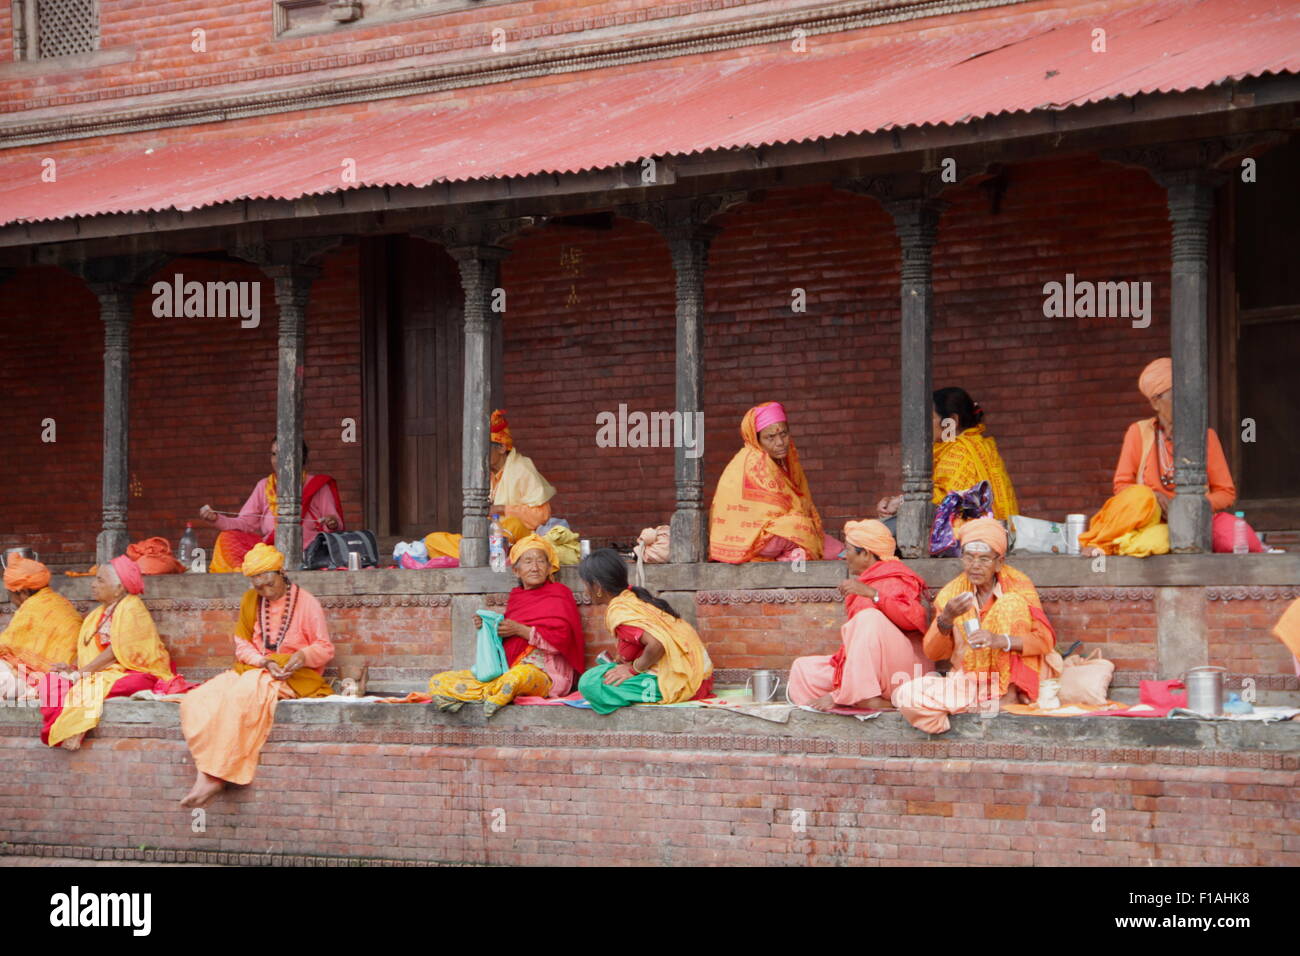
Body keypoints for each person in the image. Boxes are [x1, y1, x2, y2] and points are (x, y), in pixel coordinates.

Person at [179, 543, 334, 808]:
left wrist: (302, 657)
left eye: (268, 584)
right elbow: (242, 644)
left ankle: (214, 776)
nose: (264, 591)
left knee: (241, 696)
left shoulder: (307, 603)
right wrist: (263, 661)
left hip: (293, 676)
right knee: (196, 700)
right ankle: (207, 770)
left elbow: (324, 648)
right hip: (254, 668)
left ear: (281, 572)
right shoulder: (251, 600)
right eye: (257, 586)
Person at [1078, 357, 1262, 556]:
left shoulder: (1206, 436)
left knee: (1236, 538)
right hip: (1150, 518)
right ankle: (1098, 542)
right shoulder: (1138, 432)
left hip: (1194, 520)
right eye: (1176, 395)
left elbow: (1226, 493)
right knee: (1141, 500)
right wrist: (1154, 498)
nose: (1185, 402)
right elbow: (1121, 486)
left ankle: (1123, 545)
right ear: (1155, 402)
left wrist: (1189, 506)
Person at [891, 518, 1060, 734]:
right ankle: (973, 708)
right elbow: (933, 653)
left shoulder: (1019, 586)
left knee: (1011, 604)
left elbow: (1045, 640)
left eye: (984, 559)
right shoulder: (952, 594)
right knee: (907, 695)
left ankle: (1006, 698)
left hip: (1017, 681)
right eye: (969, 557)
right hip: (971, 681)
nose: (975, 566)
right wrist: (946, 619)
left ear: (999, 561)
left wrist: (1001, 640)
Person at [428, 534, 585, 717]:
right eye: (527, 562)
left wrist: (520, 630)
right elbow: (506, 640)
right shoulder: (517, 597)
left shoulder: (560, 593)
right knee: (439, 680)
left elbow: (562, 642)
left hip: (546, 675)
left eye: (541, 562)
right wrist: (488, 626)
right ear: (516, 571)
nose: (535, 568)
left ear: (550, 568)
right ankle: (493, 694)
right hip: (507, 670)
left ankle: (479, 695)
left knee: (517, 677)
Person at [39, 556, 180, 750]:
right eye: (95, 579)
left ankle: (73, 730)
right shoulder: (97, 613)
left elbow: (117, 651)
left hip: (134, 672)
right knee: (52, 680)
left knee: (93, 687)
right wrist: (72, 668)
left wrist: (82, 673)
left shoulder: (132, 607)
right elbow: (90, 649)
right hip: (100, 673)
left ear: (119, 588)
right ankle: (62, 729)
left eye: (100, 580)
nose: (93, 585)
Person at [787, 520, 930, 711]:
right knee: (803, 669)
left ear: (866, 554)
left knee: (868, 617)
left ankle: (865, 697)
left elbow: (914, 620)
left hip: (903, 669)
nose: (844, 556)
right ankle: (858, 695)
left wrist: (874, 595)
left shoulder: (897, 576)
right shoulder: (865, 581)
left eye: (847, 550)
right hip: (871, 670)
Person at [576, 548, 713, 713]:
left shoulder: (620, 610)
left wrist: (634, 669)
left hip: (685, 681)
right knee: (602, 672)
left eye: (585, 585)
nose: (585, 591)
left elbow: (657, 644)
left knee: (589, 683)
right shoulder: (632, 598)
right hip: (700, 676)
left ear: (597, 587)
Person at [709, 401, 840, 563]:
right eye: (770, 437)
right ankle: (792, 556)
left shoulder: (777, 461)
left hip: (764, 537)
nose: (780, 442)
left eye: (783, 434)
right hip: (749, 540)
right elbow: (777, 512)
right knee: (800, 528)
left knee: (827, 543)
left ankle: (799, 553)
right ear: (756, 439)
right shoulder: (756, 460)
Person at [877, 387, 1019, 524]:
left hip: (967, 536)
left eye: (930, 418)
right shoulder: (978, 445)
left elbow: (949, 500)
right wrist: (895, 500)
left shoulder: (960, 450)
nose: (924, 425)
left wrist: (900, 502)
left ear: (952, 421)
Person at [201, 439, 343, 573]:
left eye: (283, 454)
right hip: (270, 552)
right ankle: (246, 580)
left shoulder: (317, 486)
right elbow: (245, 523)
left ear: (300, 456)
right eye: (274, 454)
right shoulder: (264, 486)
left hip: (309, 553)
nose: (277, 460)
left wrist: (331, 522)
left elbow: (335, 525)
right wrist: (216, 519)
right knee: (227, 537)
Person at [0, 557, 81, 700]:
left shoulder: (32, 607)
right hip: (62, 678)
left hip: (39, 681)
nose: (11, 599)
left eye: (11, 594)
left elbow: (5, 648)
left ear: (23, 592)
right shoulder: (60, 601)